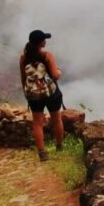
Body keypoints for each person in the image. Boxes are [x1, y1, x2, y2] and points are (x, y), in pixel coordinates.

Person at [19, 29, 64, 161]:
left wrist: (26, 93)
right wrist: (60, 71)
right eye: (44, 39)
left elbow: (23, 77)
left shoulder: (24, 57)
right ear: (40, 43)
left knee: (37, 123)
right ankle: (59, 146)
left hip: (33, 95)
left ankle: (42, 153)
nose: (46, 41)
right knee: (57, 119)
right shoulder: (47, 56)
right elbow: (55, 75)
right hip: (50, 93)